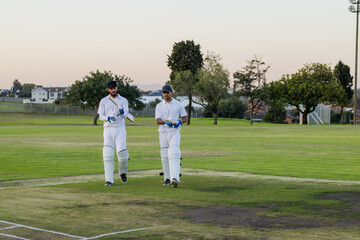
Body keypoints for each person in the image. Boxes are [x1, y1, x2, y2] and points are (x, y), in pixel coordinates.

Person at [97, 80, 130, 186]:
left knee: (122, 153)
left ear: (117, 88)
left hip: (120, 128)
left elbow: (126, 115)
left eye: (115, 88)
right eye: (111, 88)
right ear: (108, 89)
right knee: (107, 153)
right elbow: (101, 115)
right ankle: (109, 179)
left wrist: (122, 112)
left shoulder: (123, 100)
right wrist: (108, 118)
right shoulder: (104, 101)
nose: (113, 90)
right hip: (108, 128)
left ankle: (123, 172)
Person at [155, 85, 188, 187]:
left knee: (173, 152)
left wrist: (180, 122)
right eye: (164, 92)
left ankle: (175, 178)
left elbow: (185, 117)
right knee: (164, 156)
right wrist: (165, 122)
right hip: (163, 132)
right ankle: (167, 179)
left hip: (174, 132)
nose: (166, 94)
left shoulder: (178, 104)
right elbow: (158, 120)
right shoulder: (159, 105)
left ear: (172, 93)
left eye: (167, 92)